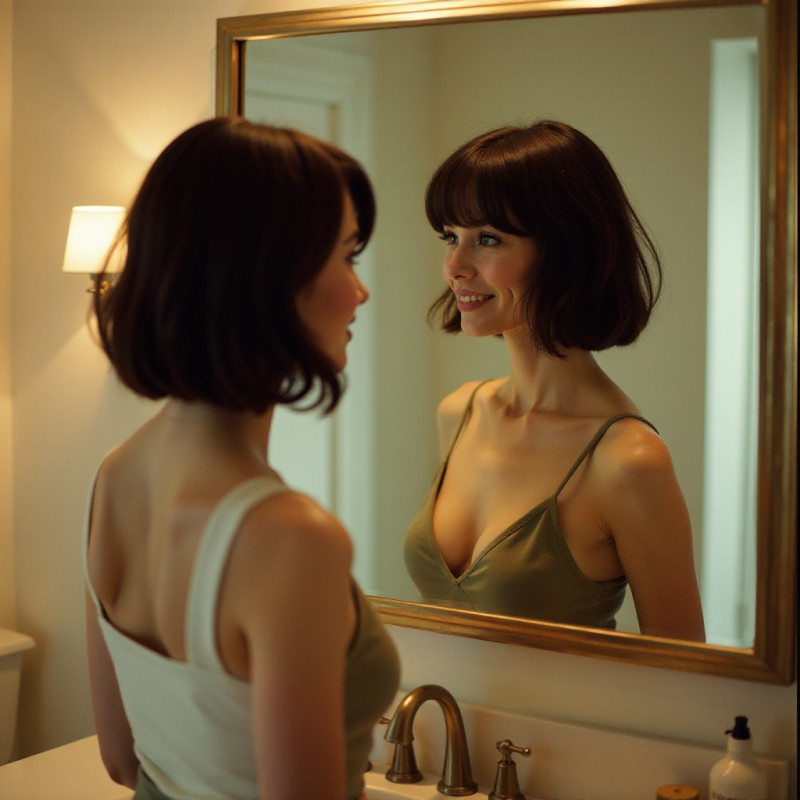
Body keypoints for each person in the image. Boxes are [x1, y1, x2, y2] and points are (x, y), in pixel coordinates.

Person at [84, 117, 400, 800]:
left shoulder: (115, 475)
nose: (360, 291)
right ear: (267, 273)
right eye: (346, 256)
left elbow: (120, 757)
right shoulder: (289, 539)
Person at [404, 120, 705, 641]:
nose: (454, 265)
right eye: (450, 237)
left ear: (566, 252)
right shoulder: (459, 413)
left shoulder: (628, 462)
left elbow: (686, 676)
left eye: (489, 239)